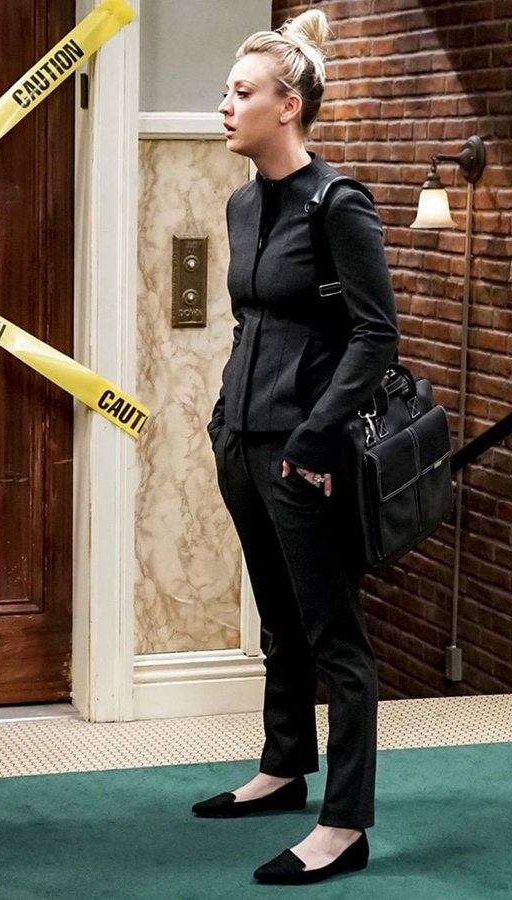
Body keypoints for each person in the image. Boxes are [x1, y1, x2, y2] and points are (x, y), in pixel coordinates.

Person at [196, 9, 399, 887]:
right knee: (279, 619)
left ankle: (345, 826)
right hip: (242, 443)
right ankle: (283, 768)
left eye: (240, 92)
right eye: (226, 91)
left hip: (306, 453)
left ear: (288, 106)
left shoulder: (338, 203)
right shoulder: (244, 204)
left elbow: (376, 335)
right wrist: (224, 420)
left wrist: (313, 436)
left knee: (333, 637)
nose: (224, 106)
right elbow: (252, 321)